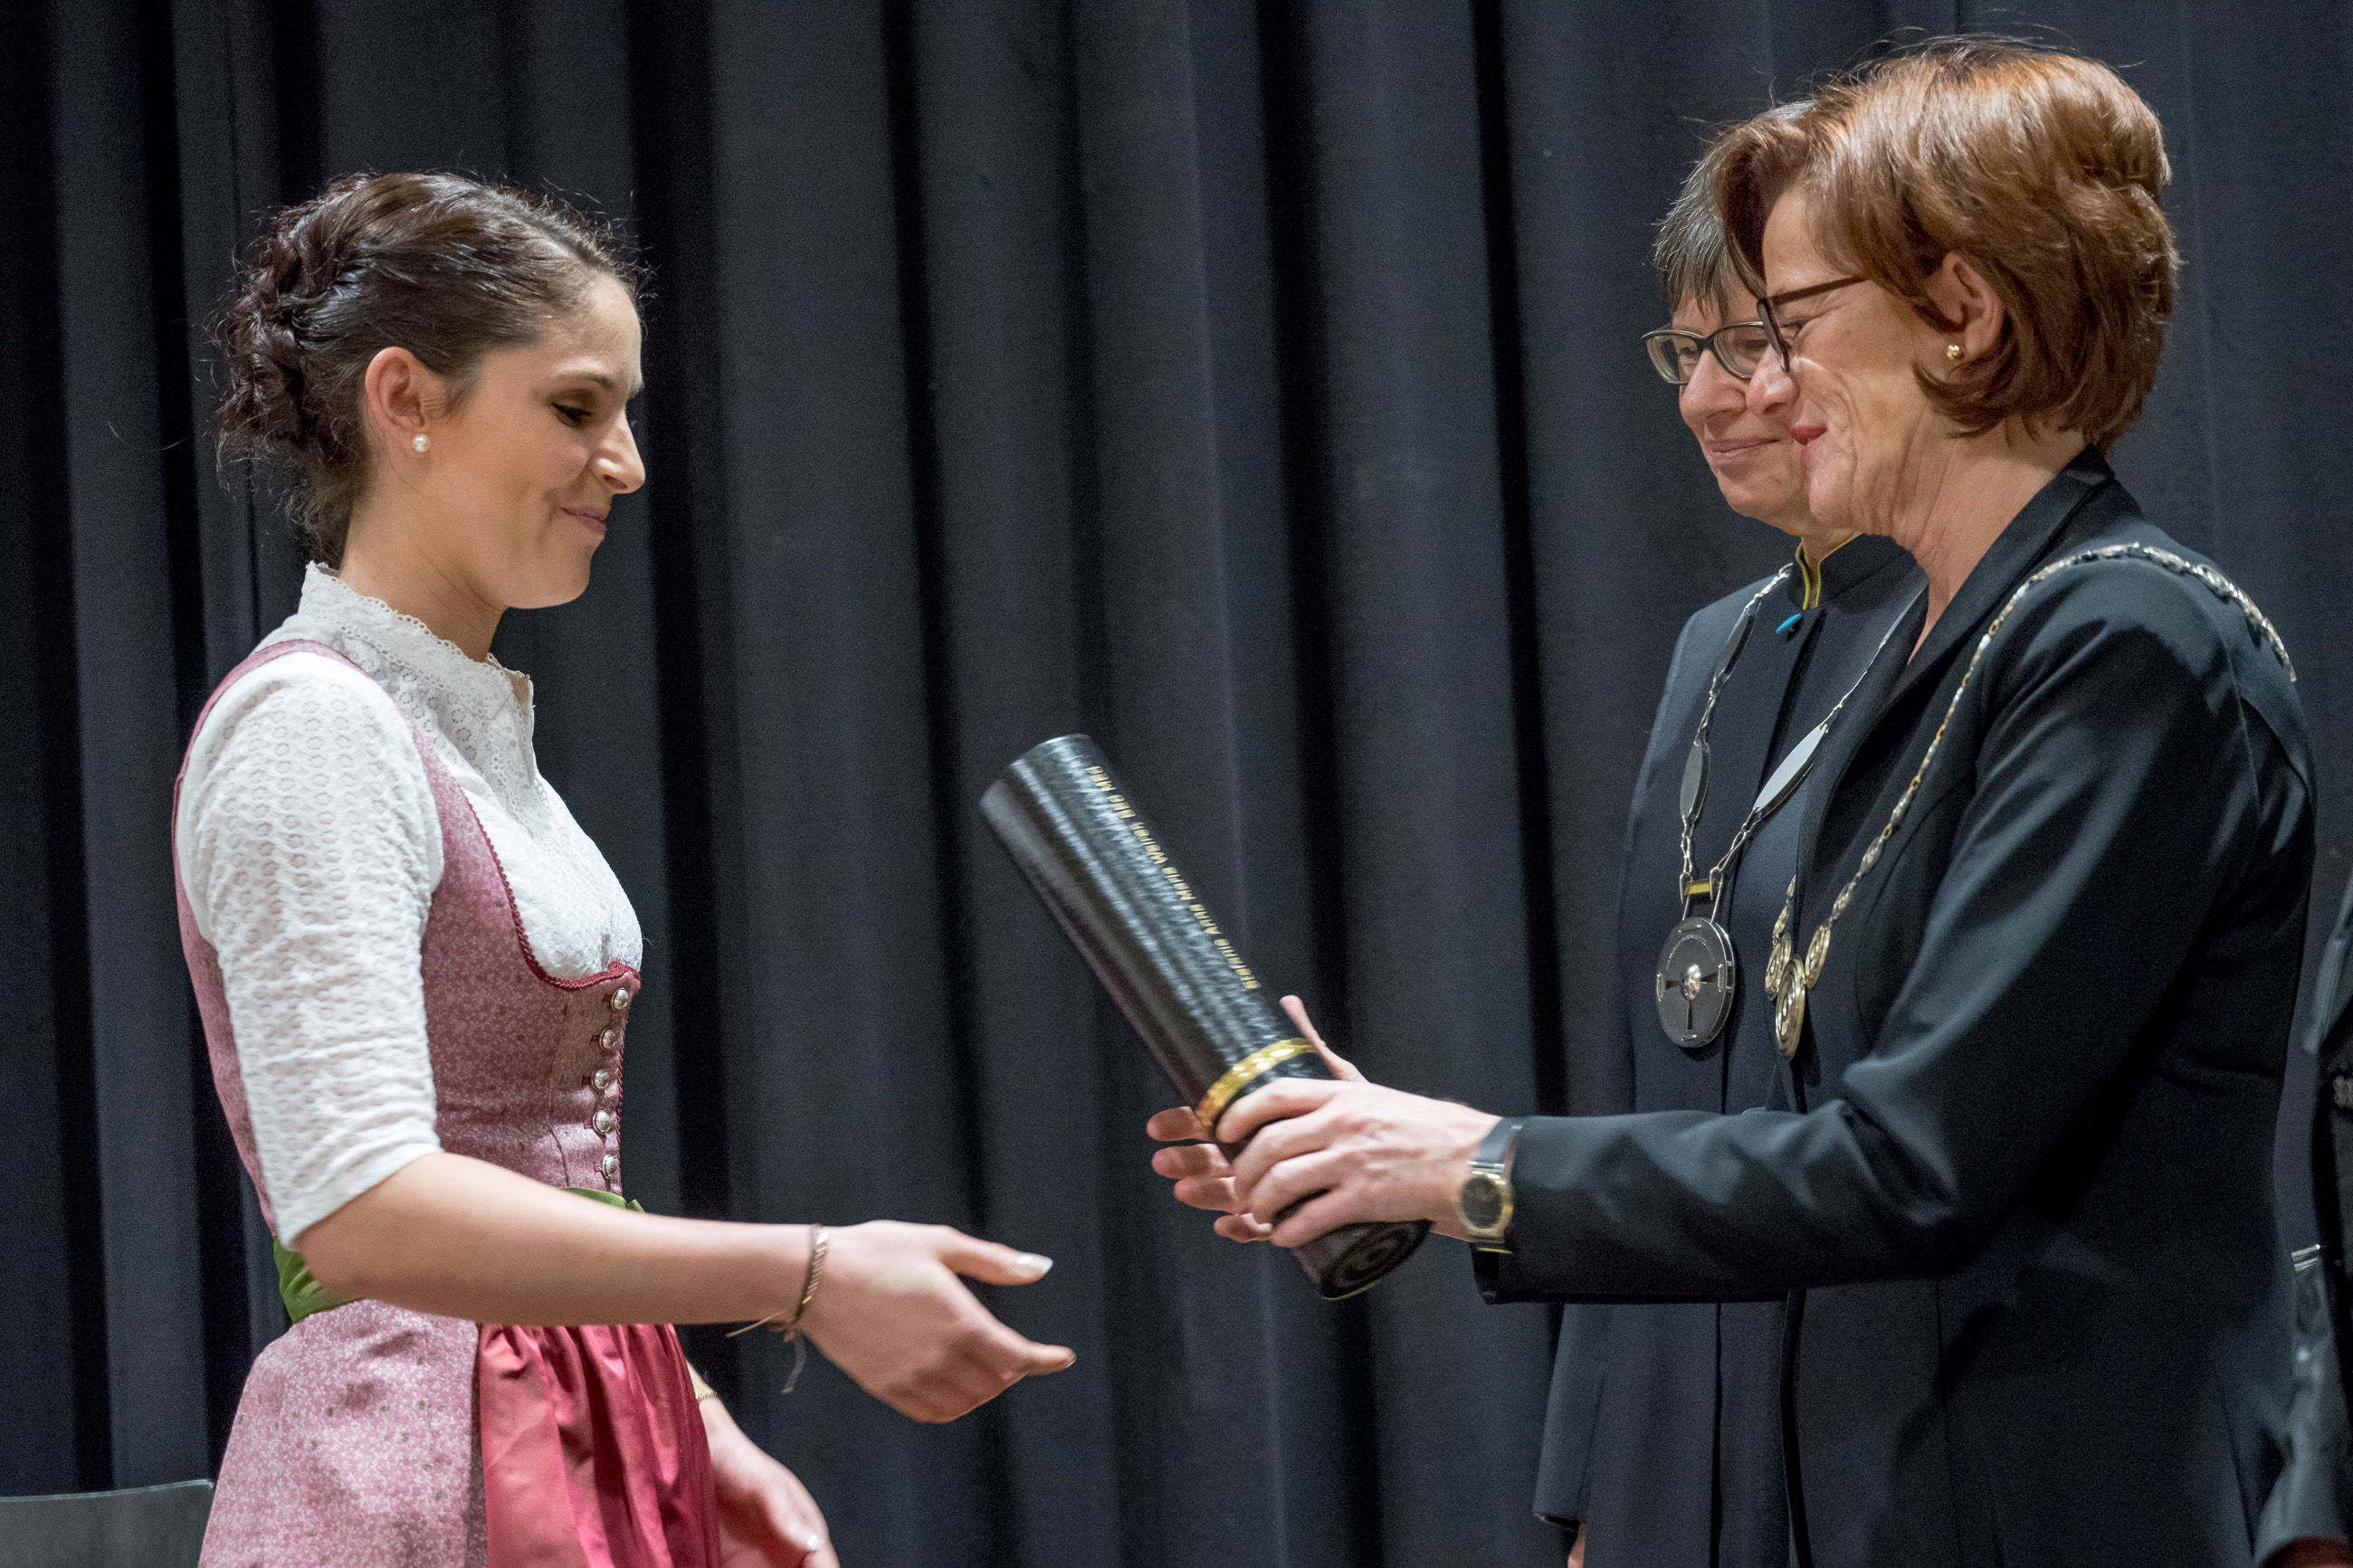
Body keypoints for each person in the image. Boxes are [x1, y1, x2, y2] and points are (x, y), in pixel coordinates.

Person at [1154, 42, 2310, 1567]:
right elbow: (1758, 1108)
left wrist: (1466, 1162)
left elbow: (1910, 1163)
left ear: (1966, 312)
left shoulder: (2131, 642)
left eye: (1794, 324)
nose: (1754, 385)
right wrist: (1383, 1154)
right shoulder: (1925, 648)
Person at [179, 172, 1073, 1568]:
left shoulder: (451, 726)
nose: (629, 462)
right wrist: (807, 1272)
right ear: (406, 401)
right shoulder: (313, 727)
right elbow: (360, 1209)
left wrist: (696, 1422)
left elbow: (541, 1170)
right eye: (576, 407)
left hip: (576, 1426)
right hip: (416, 1468)